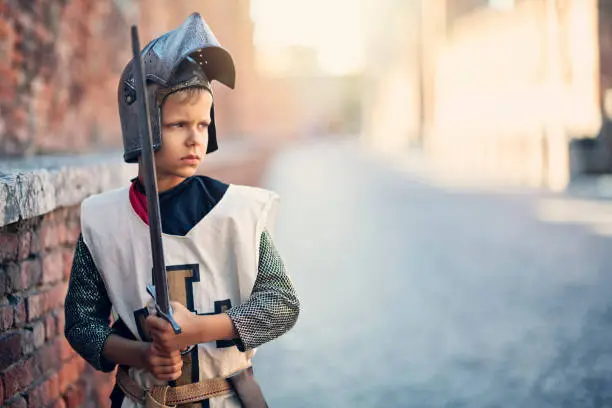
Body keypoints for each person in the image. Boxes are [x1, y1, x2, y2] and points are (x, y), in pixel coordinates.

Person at [64, 12, 300, 408]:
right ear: (145, 126)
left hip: (224, 397)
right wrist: (142, 355)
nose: (195, 139)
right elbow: (81, 323)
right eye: (178, 125)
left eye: (203, 125)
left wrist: (198, 329)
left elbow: (280, 304)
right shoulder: (104, 221)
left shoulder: (237, 211)